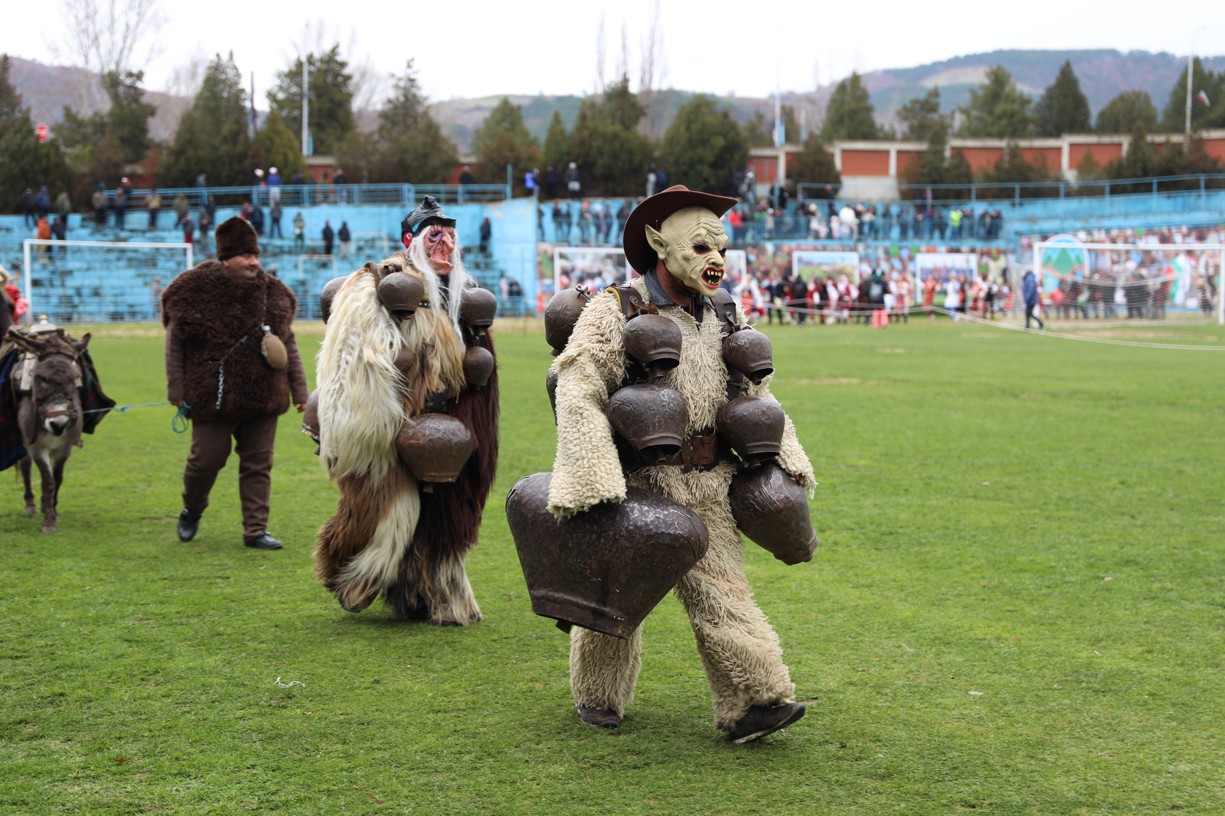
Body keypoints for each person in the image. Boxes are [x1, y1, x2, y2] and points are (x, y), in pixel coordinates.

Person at [540, 185, 817, 743]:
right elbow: (577, 383)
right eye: (701, 247)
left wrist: (787, 458)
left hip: (710, 482)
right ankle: (597, 694)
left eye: (722, 249)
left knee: (723, 590)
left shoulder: (725, 314)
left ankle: (754, 702)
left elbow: (756, 395)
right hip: (638, 480)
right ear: (658, 243)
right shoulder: (615, 309)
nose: (716, 260)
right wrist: (594, 476)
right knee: (616, 596)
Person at [313, 195, 499, 624]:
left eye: (450, 237)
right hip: (395, 424)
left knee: (448, 516)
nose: (444, 245)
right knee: (394, 511)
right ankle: (351, 571)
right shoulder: (379, 285)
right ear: (409, 241)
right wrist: (388, 418)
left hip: (450, 426)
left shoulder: (465, 297)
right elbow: (354, 362)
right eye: (434, 237)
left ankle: (430, 594)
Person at [161, 217, 308, 550]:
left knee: (258, 464)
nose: (254, 262)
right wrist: (176, 390)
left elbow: (289, 345)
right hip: (212, 397)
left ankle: (255, 530)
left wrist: (300, 392)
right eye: (245, 256)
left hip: (264, 395)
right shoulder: (192, 291)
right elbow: (174, 343)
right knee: (205, 461)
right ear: (226, 258)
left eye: (255, 255)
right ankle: (192, 508)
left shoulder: (274, 294)